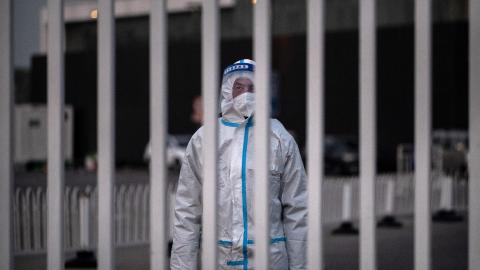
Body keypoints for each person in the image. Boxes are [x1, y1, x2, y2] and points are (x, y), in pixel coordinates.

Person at [170, 59, 307, 270]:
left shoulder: (279, 138)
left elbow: (297, 209)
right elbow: (187, 210)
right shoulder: (204, 139)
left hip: (269, 259)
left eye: (252, 87)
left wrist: (301, 266)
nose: (246, 93)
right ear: (227, 90)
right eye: (239, 87)